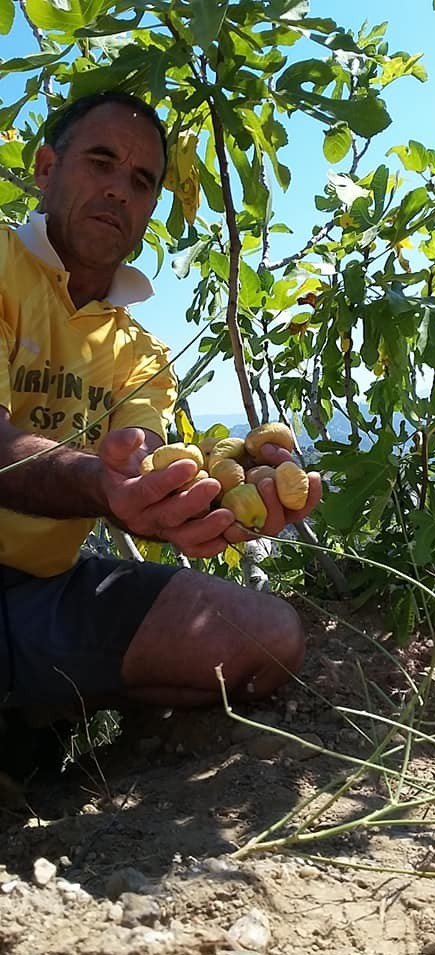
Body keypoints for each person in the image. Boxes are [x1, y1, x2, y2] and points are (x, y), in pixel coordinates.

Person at [0, 91, 322, 744]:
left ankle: (42, 709)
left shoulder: (143, 356)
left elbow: (136, 473)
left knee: (271, 636)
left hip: (44, 593)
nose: (119, 190)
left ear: (150, 209)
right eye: (100, 162)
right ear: (46, 168)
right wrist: (100, 481)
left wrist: (194, 501)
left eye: (142, 181)